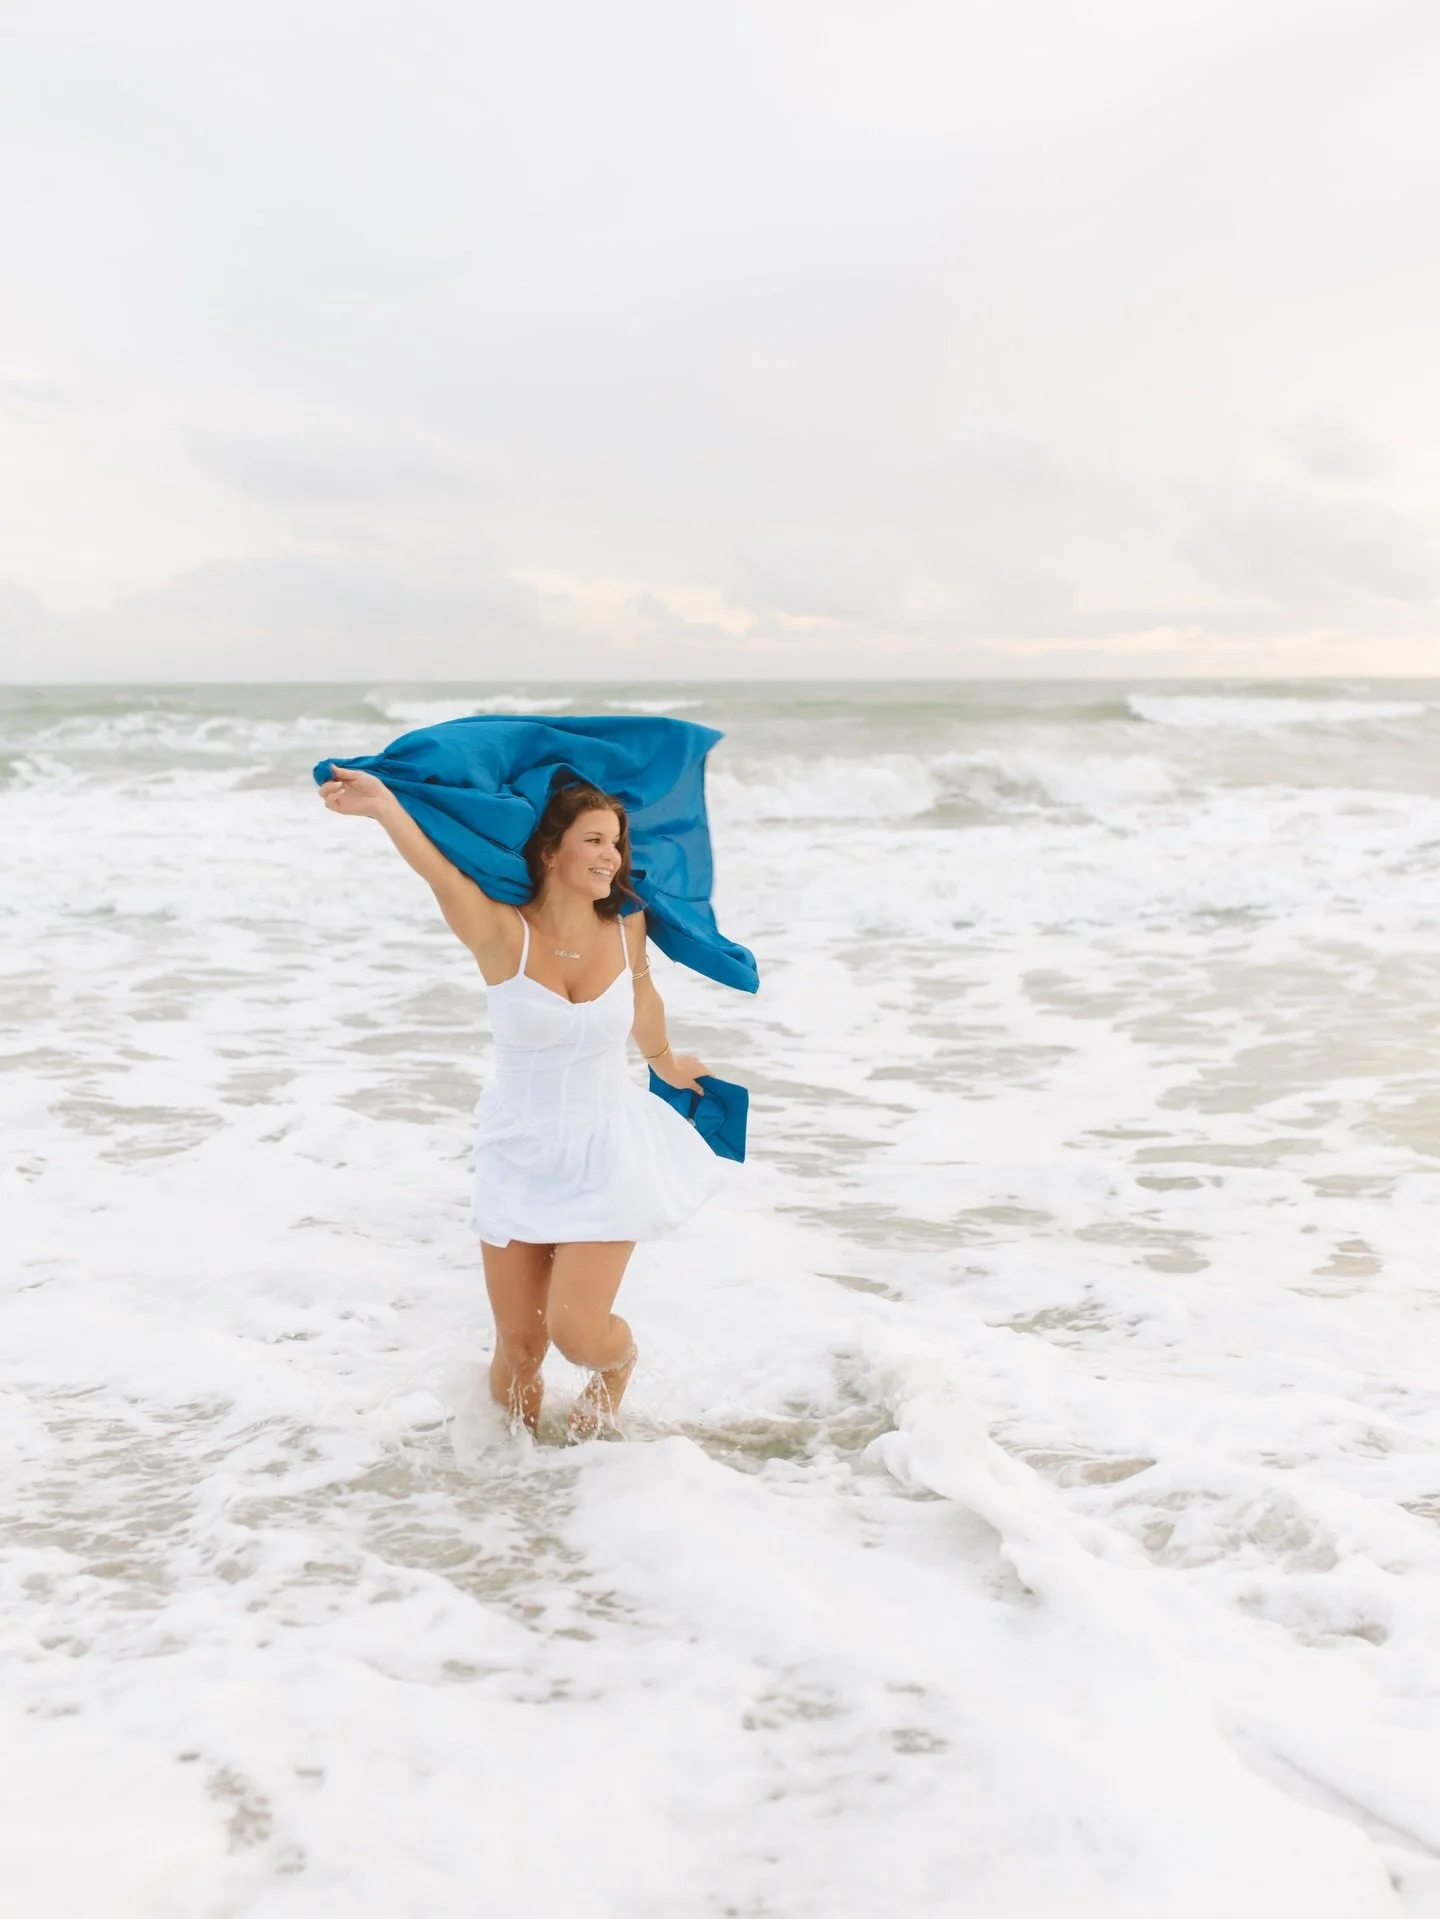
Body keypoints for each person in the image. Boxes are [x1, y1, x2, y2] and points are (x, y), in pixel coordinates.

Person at [318, 763, 727, 1439]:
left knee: (578, 1333)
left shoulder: (626, 924)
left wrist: (665, 1063)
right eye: (593, 840)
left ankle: (617, 1365)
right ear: (550, 851)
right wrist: (384, 806)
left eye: (616, 843)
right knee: (520, 1348)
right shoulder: (503, 933)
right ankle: (515, 1473)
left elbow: (644, 996)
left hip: (607, 1147)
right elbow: (439, 875)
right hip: (518, 1151)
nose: (611, 856)